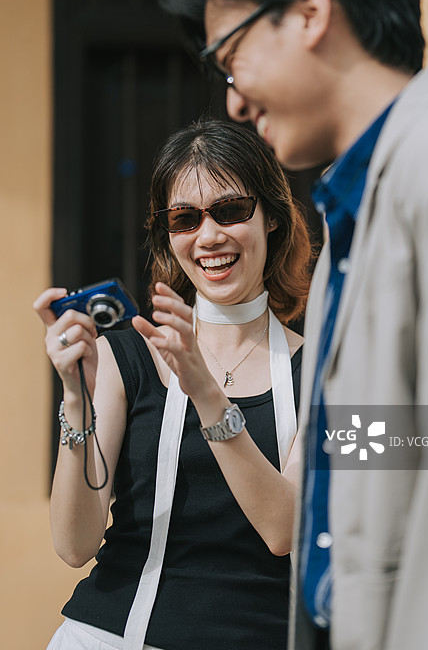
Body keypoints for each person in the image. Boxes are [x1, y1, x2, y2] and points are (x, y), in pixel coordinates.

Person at [160, 0, 428, 650]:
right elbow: (394, 444)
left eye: (230, 60)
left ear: (308, 12)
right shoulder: (352, 211)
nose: (231, 101)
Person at [34, 120, 315, 650]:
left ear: (272, 217)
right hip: (106, 635)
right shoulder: (126, 358)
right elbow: (74, 545)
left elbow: (284, 531)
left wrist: (207, 394)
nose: (209, 236)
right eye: (185, 218)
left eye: (231, 211)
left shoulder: (324, 371)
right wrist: (75, 399)